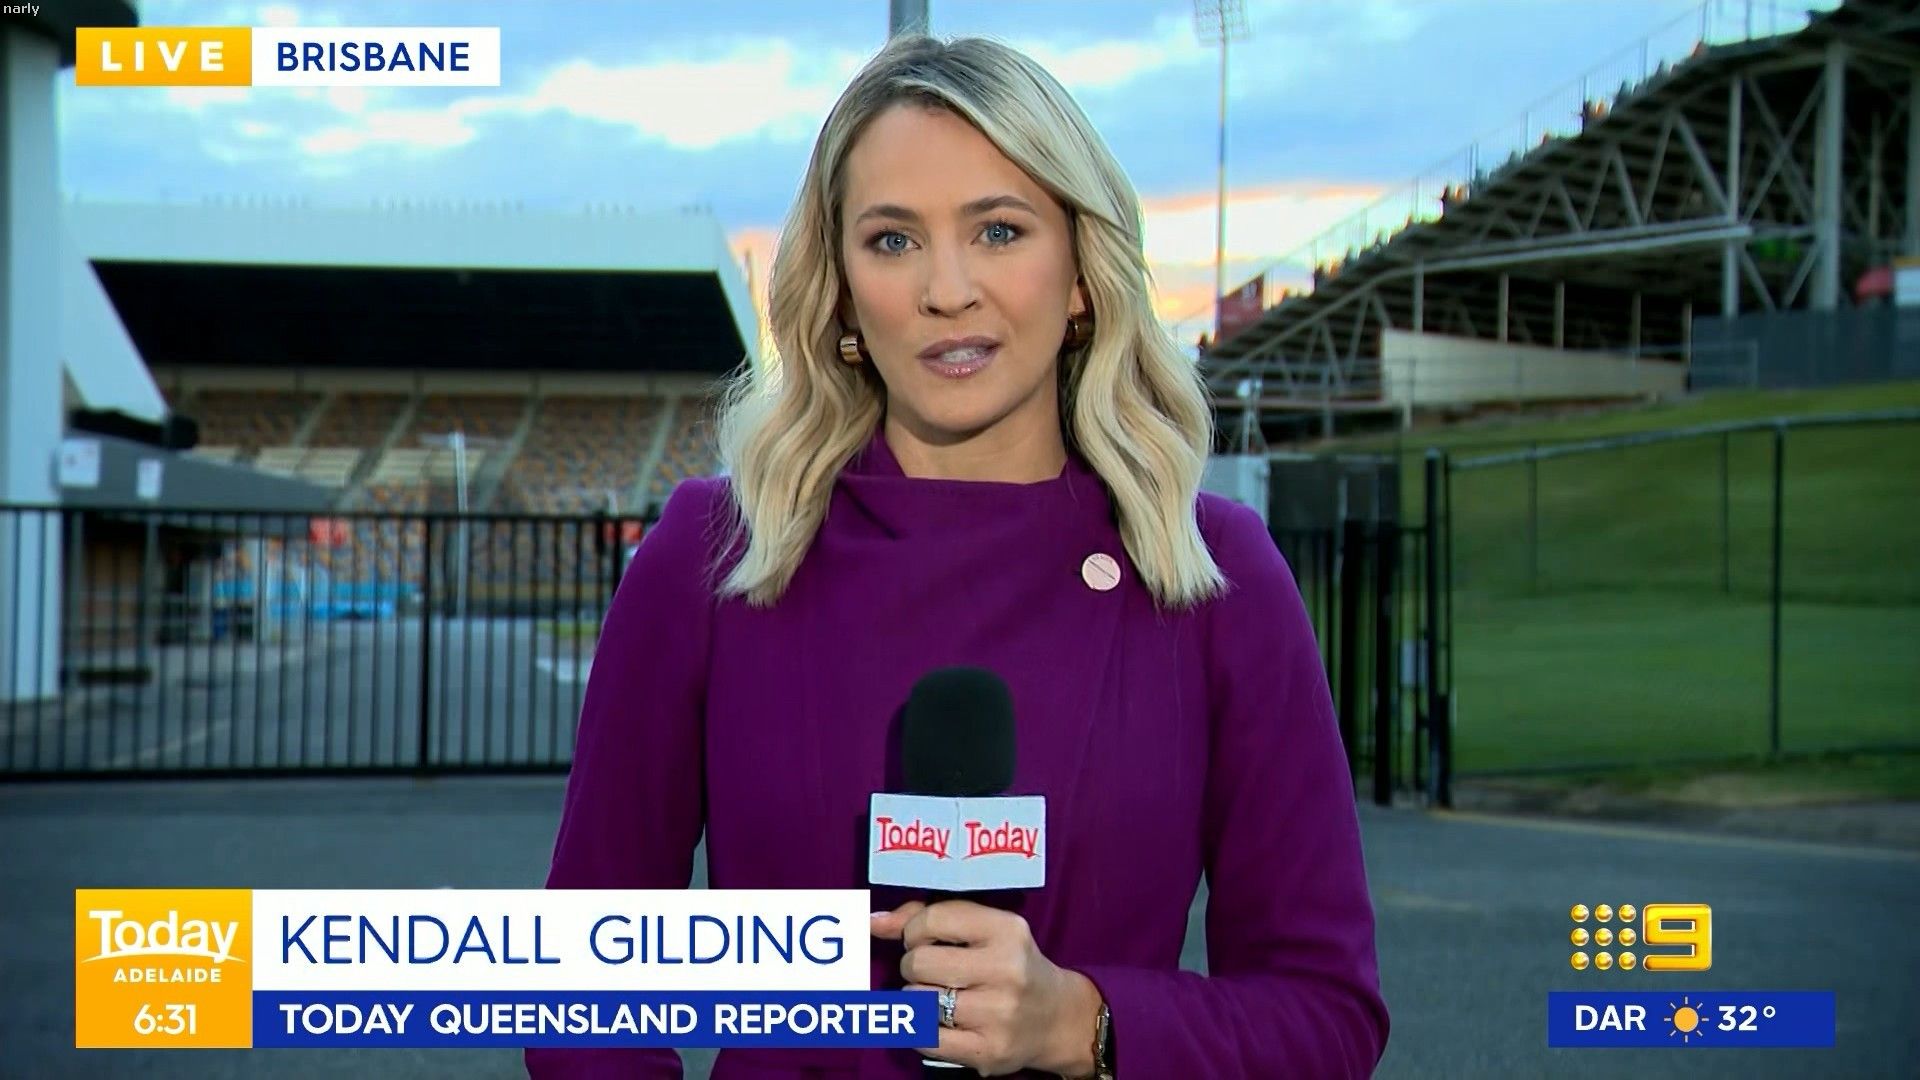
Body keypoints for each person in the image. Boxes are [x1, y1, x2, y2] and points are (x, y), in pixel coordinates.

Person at [529, 33, 1388, 1080]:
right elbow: (587, 986)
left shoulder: (1211, 577)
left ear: (1082, 273)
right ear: (841, 290)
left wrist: (1086, 1024)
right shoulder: (713, 561)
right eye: (892, 240)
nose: (947, 290)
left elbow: (1326, 1015)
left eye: (998, 230)